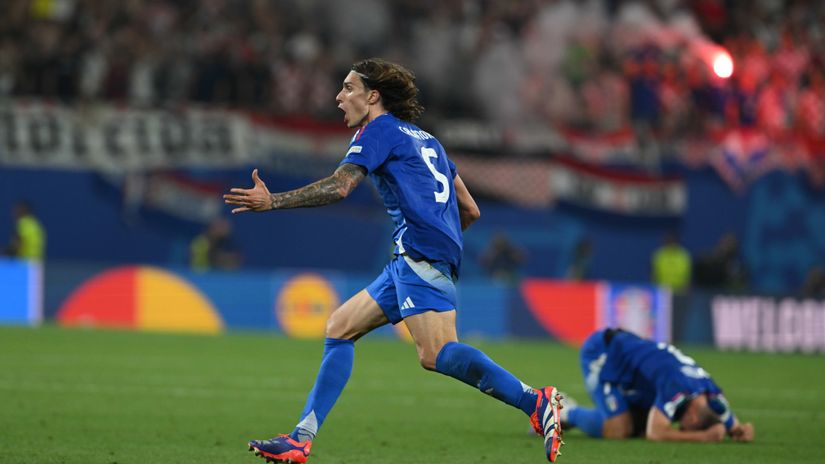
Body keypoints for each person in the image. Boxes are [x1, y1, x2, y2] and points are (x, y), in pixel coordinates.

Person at [223, 58, 564, 463]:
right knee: (341, 326)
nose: (338, 96)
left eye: (348, 88)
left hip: (418, 253)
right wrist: (443, 242)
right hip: (417, 254)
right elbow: (469, 209)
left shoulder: (378, 130)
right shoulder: (426, 139)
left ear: (373, 96)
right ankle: (301, 438)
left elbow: (340, 186)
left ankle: (535, 400)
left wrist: (273, 201)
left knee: (435, 353)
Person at [562, 328, 754, 443]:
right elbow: (656, 432)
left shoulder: (711, 395)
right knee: (619, 429)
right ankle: (564, 411)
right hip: (604, 353)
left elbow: (733, 424)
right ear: (693, 417)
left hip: (632, 361)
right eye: (685, 427)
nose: (680, 426)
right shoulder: (677, 388)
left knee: (637, 425)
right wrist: (702, 437)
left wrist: (740, 430)